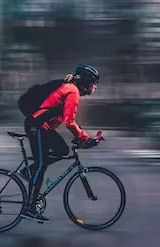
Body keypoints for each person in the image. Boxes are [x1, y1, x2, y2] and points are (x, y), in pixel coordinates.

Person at [18, 64, 101, 222]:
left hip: (40, 126)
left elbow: (64, 119)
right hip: (37, 126)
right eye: (93, 83)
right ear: (86, 81)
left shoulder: (69, 88)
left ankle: (30, 178)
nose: (94, 87)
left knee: (59, 152)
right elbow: (69, 122)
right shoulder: (72, 91)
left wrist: (80, 136)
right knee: (41, 165)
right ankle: (29, 207)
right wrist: (84, 139)